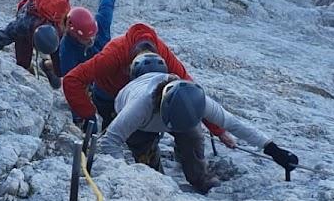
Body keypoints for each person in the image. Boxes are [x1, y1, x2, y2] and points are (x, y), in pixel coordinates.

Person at [96, 72, 298, 194]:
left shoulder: (195, 102)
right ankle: (153, 175)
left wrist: (272, 149)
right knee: (148, 165)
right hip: (141, 127)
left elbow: (233, 124)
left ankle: (200, 178)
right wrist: (124, 175)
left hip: (176, 116)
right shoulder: (139, 107)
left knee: (194, 136)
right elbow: (111, 140)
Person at [62, 22, 225, 146]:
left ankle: (193, 170)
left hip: (152, 96)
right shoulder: (114, 55)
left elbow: (190, 93)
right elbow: (72, 80)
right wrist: (89, 115)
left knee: (184, 126)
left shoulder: (164, 55)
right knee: (137, 137)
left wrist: (219, 131)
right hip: (110, 97)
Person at [0, 0, 70, 80]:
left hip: (50, 32)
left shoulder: (60, 27)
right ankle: (29, 69)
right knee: (22, 64)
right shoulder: (23, 25)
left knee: (60, 69)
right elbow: (2, 36)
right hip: (26, 30)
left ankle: (46, 65)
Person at [58, 0, 115, 78]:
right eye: (87, 38)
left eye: (93, 35)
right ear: (76, 36)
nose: (91, 39)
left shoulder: (101, 24)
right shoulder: (67, 54)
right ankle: (48, 66)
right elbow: (71, 78)